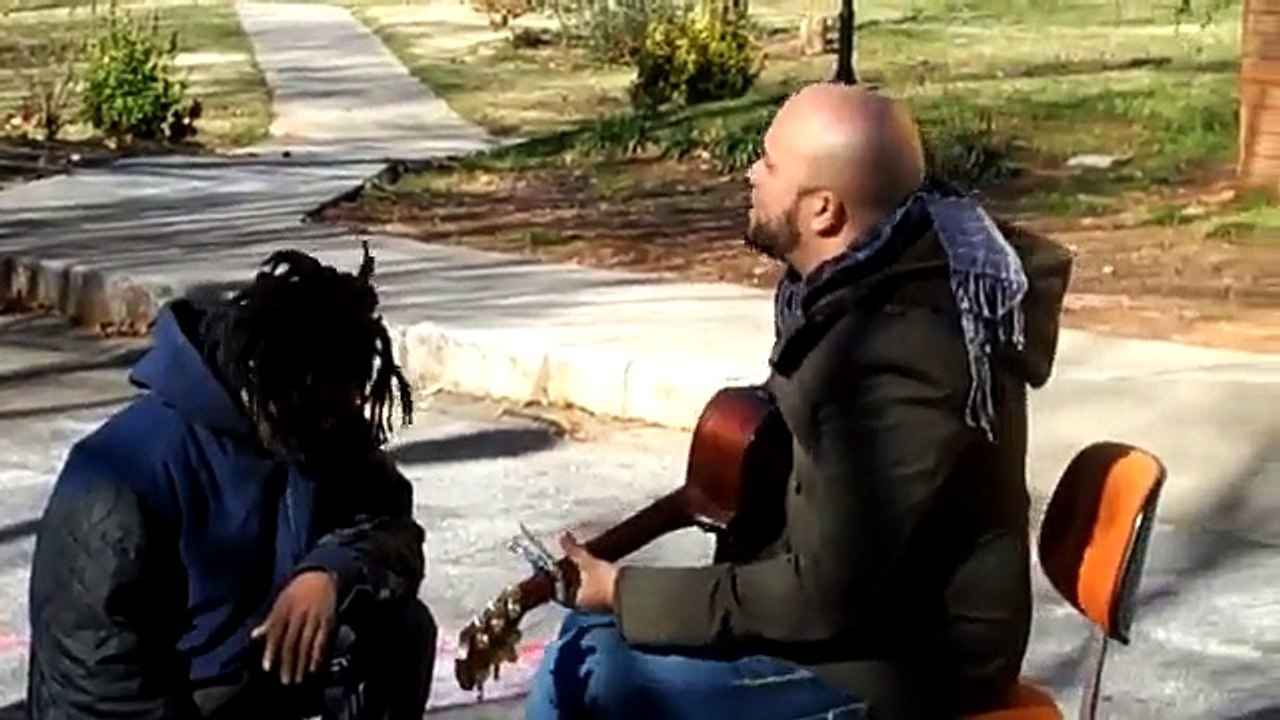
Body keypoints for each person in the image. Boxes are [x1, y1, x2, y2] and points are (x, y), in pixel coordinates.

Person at [525, 83, 1073, 719]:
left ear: (823, 213)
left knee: (589, 673)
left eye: (770, 162)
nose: (750, 173)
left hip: (903, 665)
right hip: (857, 623)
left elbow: (824, 594)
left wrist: (624, 590)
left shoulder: (901, 358)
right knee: (585, 639)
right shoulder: (857, 289)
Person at [26, 244, 437, 720]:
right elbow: (96, 683)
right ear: (277, 384)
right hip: (165, 699)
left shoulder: (317, 419)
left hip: (254, 674)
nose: (343, 420)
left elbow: (388, 523)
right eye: (328, 408)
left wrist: (329, 571)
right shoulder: (119, 474)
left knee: (399, 633)